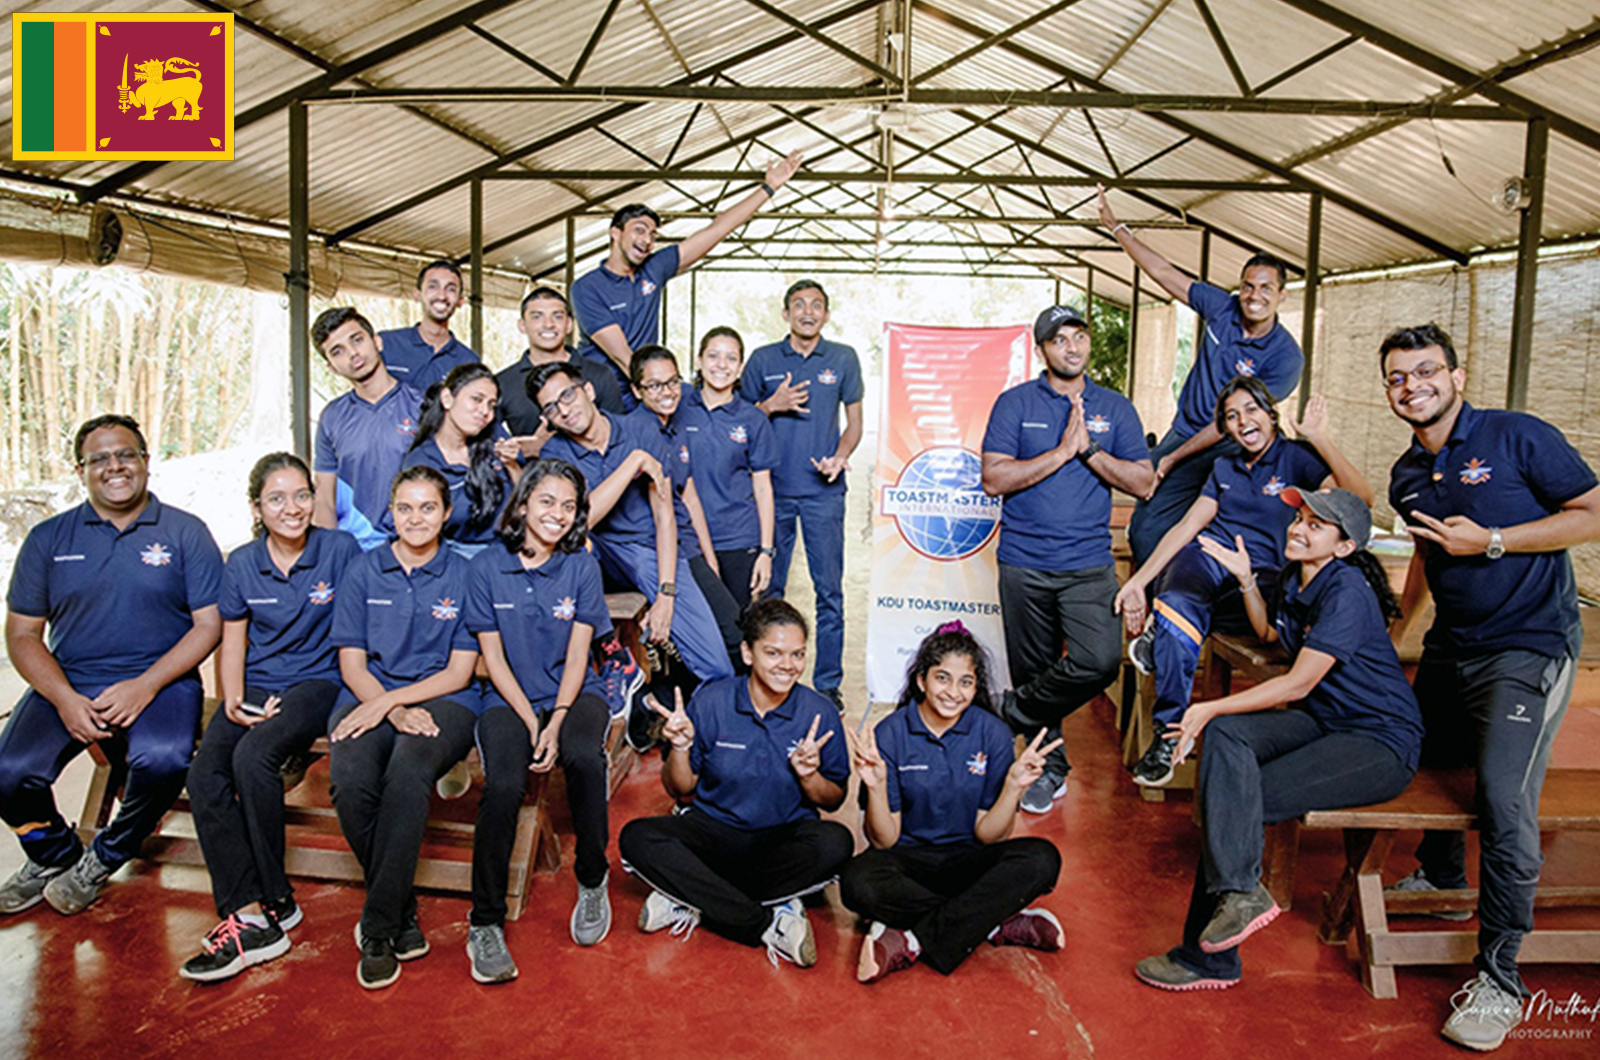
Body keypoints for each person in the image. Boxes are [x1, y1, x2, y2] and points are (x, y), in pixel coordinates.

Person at [1377, 324, 1600, 1051]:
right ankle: (1439, 880)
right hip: (1452, 647)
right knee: (1416, 756)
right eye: (1398, 377)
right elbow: (1424, 552)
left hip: (1529, 647)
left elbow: (1592, 514)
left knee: (1504, 799)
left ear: (1458, 375)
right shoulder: (1408, 471)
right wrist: (1400, 633)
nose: (1413, 386)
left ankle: (1501, 978)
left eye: (1425, 371)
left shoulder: (1517, 437)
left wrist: (1497, 540)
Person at [1134, 487, 1422, 992]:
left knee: (1233, 797)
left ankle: (1210, 955)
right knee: (1229, 748)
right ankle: (1236, 904)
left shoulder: (1347, 590)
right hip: (1324, 720)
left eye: (1316, 525)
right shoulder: (1297, 579)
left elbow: (1297, 683)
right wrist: (1247, 580)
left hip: (1378, 741)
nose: (1298, 528)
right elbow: (1272, 635)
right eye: (1300, 518)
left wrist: (1205, 707)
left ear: (1344, 546)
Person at [0, 415, 223, 917]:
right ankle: (53, 855)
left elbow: (208, 626)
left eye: (125, 454)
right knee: (8, 773)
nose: (114, 466)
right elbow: (21, 634)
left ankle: (104, 856)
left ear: (147, 462)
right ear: (80, 471)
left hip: (160, 680)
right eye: (99, 458)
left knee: (164, 760)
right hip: (72, 678)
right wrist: (62, 698)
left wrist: (145, 687)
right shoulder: (48, 539)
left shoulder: (185, 532)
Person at [1115, 379, 1371, 787]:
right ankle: (1168, 734)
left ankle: (1162, 627)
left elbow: (1360, 502)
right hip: (1210, 556)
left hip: (1262, 576)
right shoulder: (1224, 467)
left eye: (1251, 409)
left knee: (1185, 623)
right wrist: (1139, 583)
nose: (1243, 420)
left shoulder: (1298, 458)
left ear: (1271, 414)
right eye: (1232, 416)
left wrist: (1320, 439)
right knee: (1181, 600)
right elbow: (1187, 526)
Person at [180, 453, 361, 982]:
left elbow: (357, 632)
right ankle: (247, 911)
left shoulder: (340, 550)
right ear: (257, 506)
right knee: (205, 773)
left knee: (256, 756)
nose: (292, 508)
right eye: (277, 498)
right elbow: (231, 641)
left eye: (302, 495)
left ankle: (278, 898)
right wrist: (232, 698)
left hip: (319, 680)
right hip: (257, 681)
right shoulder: (241, 563)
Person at [981, 304, 1154, 813]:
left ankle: (1008, 710)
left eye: (1079, 337)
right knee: (1036, 670)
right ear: (1043, 349)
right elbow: (993, 479)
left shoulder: (1115, 408)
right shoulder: (1014, 404)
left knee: (1098, 661)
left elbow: (1144, 483)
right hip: (1023, 562)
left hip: (1087, 565)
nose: (1072, 347)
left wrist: (1087, 451)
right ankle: (1049, 770)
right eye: (1060, 340)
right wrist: (1059, 451)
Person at [617, 599, 852, 968]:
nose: (787, 666)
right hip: (714, 831)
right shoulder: (712, 700)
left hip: (783, 836)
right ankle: (764, 922)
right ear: (747, 652)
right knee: (636, 838)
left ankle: (691, 896)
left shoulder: (818, 712)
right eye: (773, 653)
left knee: (837, 843)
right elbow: (680, 788)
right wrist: (680, 747)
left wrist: (810, 776)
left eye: (797, 654)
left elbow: (834, 799)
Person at [840, 622, 1064, 983]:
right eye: (942, 678)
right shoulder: (890, 732)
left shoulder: (991, 733)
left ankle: (911, 938)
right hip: (907, 861)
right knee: (857, 882)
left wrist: (1013, 787)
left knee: (1042, 859)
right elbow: (885, 841)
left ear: (976, 687)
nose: (953, 692)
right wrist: (878, 786)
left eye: (966, 682)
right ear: (921, 680)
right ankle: (990, 922)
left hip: (968, 860)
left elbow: (989, 835)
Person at [327, 466, 481, 990]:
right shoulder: (364, 570)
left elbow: (459, 672)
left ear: (446, 512)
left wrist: (396, 704)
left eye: (428, 507)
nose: (416, 518)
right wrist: (390, 709)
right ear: (390, 513)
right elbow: (352, 665)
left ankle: (377, 927)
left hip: (448, 699)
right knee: (349, 780)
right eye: (405, 508)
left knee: (408, 772)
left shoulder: (464, 575)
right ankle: (402, 907)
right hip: (368, 695)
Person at [465, 459, 617, 981]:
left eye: (568, 506)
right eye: (547, 501)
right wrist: (529, 718)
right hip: (507, 697)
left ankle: (593, 881)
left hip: (574, 695)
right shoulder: (486, 566)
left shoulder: (581, 566)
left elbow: (579, 657)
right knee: (504, 785)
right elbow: (493, 657)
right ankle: (483, 922)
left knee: (581, 756)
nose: (557, 514)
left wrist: (555, 720)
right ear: (524, 503)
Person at [1097, 186, 1305, 567]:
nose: (1254, 295)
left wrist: (1172, 457)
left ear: (1282, 296)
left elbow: (1233, 424)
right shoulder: (1221, 308)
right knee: (1145, 526)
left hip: (1236, 445)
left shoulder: (1286, 356)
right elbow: (1163, 272)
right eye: (1247, 286)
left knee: (1233, 527)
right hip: (1186, 430)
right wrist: (1117, 229)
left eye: (1266, 289)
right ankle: (1150, 599)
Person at [534, 361, 737, 701]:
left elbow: (665, 516)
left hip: (652, 552)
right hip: (601, 554)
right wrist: (632, 464)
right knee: (572, 546)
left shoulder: (640, 430)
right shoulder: (556, 451)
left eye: (567, 396)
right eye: (551, 408)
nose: (564, 410)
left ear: (588, 391)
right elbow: (577, 521)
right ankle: (611, 659)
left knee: (718, 668)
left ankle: (694, 726)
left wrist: (666, 595)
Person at [572, 152, 803, 404]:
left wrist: (768, 188)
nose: (647, 240)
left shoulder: (654, 268)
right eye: (639, 230)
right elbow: (623, 358)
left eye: (653, 234)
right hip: (606, 397)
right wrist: (665, 394)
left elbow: (717, 229)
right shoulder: (587, 287)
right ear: (615, 233)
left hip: (646, 391)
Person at [740, 281, 864, 711]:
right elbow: (737, 421)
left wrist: (840, 456)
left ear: (826, 315)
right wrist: (770, 405)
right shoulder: (762, 360)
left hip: (823, 495)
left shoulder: (843, 359)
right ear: (785, 313)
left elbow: (854, 425)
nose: (807, 312)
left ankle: (827, 685)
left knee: (829, 591)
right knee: (769, 590)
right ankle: (766, 676)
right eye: (799, 305)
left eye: (816, 306)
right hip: (772, 494)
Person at [626, 345, 745, 668]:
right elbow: (660, 510)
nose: (667, 392)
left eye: (672, 381)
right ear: (637, 390)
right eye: (654, 385)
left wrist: (710, 559)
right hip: (663, 552)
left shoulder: (676, 427)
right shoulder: (637, 431)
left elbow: (688, 494)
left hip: (688, 546)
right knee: (729, 637)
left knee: (731, 628)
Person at [681, 326, 778, 612]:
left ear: (740, 368)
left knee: (737, 631)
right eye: (713, 356)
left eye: (731, 358)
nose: (721, 365)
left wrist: (766, 551)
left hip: (738, 540)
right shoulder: (677, 410)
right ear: (698, 360)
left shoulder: (753, 419)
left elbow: (763, 487)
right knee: (691, 634)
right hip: (687, 541)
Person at [311, 307, 423, 551]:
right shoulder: (331, 417)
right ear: (331, 367)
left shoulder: (422, 405)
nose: (353, 354)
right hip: (356, 550)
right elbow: (324, 500)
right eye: (337, 351)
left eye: (357, 340)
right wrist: (332, 556)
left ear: (377, 341)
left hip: (415, 547)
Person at [403, 363, 520, 558]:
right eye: (477, 399)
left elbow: (526, 500)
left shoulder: (495, 437)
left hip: (508, 551)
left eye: (491, 405)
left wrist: (512, 465)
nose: (485, 412)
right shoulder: (422, 461)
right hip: (454, 557)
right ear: (447, 399)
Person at [496, 286, 625, 444]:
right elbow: (488, 446)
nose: (548, 324)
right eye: (537, 317)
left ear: (569, 325)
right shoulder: (502, 383)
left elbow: (619, 434)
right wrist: (525, 452)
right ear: (522, 325)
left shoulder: (599, 374)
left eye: (557, 317)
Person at [377, 259, 480, 392]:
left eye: (451, 289)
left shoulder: (468, 361)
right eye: (433, 287)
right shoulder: (386, 344)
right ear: (417, 295)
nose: (441, 296)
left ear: (460, 301)